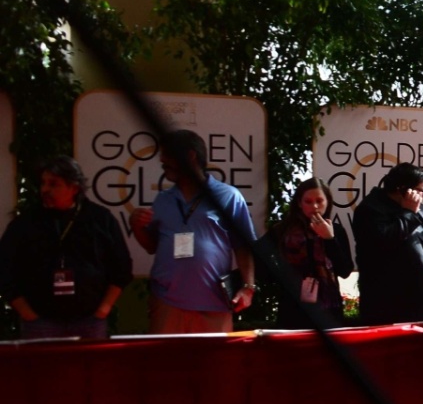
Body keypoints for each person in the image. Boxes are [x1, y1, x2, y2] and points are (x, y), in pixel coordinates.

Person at [129, 130, 255, 334]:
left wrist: (248, 287)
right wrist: (136, 226)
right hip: (167, 304)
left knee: (215, 366)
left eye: (168, 154)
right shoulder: (163, 200)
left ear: (190, 156)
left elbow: (243, 247)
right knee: (168, 366)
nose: (162, 160)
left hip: (214, 305)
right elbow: (152, 246)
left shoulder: (229, 196)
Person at [0, 156, 131, 341]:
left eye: (53, 184)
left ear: (74, 188)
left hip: (90, 321)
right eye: (43, 183)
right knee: (44, 371)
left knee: (89, 371)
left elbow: (122, 267)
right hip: (39, 322)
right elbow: (4, 268)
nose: (45, 189)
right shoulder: (26, 223)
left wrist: (104, 309)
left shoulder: (100, 219)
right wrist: (26, 312)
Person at [353, 162, 423, 324]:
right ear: (402, 189)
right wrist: (408, 213)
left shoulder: (417, 208)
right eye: (420, 191)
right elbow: (382, 243)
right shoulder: (370, 210)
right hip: (398, 312)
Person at [269, 178, 354, 326]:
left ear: (327, 202)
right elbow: (258, 256)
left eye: (319, 201)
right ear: (299, 203)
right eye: (308, 201)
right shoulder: (283, 230)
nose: (314, 206)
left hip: (328, 310)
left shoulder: (336, 230)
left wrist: (329, 239)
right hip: (293, 308)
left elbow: (345, 270)